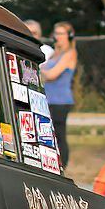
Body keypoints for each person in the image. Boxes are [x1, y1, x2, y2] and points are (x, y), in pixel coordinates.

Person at [41, 21, 78, 168]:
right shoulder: (54, 54)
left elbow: (52, 74)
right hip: (48, 99)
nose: (58, 37)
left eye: (61, 34)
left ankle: (63, 164)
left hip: (60, 101)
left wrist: (39, 71)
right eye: (56, 33)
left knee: (59, 135)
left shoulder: (70, 53)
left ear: (69, 36)